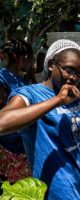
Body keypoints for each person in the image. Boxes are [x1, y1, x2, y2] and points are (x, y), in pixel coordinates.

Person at [0, 39, 80, 199]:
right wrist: (58, 100)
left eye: (78, 73)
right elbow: (2, 123)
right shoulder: (30, 94)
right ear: (52, 64)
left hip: (76, 182)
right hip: (54, 189)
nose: (74, 78)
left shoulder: (73, 96)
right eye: (69, 70)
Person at [0, 38, 33, 182]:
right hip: (8, 149)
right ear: (23, 58)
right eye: (31, 59)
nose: (32, 64)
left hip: (20, 146)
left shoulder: (20, 79)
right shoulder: (3, 78)